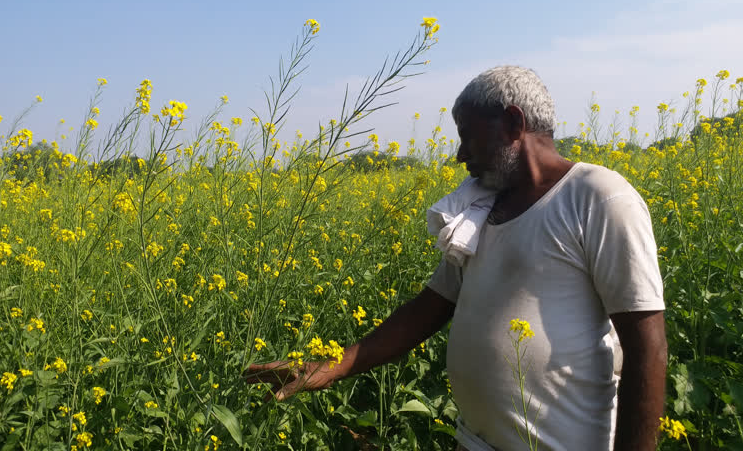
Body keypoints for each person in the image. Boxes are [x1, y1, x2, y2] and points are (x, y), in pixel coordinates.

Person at [244, 66, 668, 450]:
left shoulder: (598, 196)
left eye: (468, 135)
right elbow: (427, 309)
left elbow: (647, 346)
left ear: (514, 123)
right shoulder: (478, 209)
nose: (460, 154)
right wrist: (329, 367)